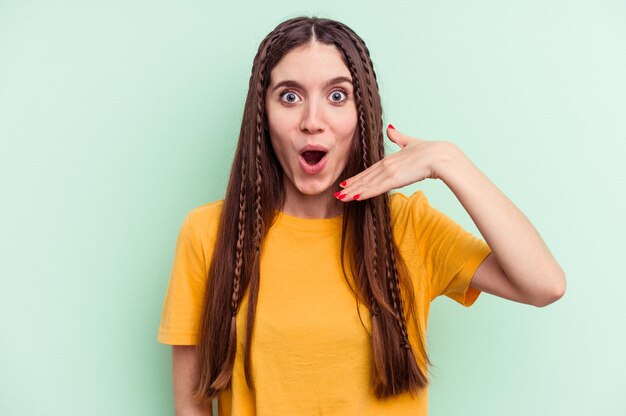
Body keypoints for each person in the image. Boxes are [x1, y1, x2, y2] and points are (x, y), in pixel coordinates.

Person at [157, 16, 566, 415]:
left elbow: (544, 284)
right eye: (290, 96)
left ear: (361, 112)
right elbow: (191, 404)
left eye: (337, 96)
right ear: (262, 114)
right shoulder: (209, 233)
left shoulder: (408, 226)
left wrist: (450, 161)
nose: (312, 122)